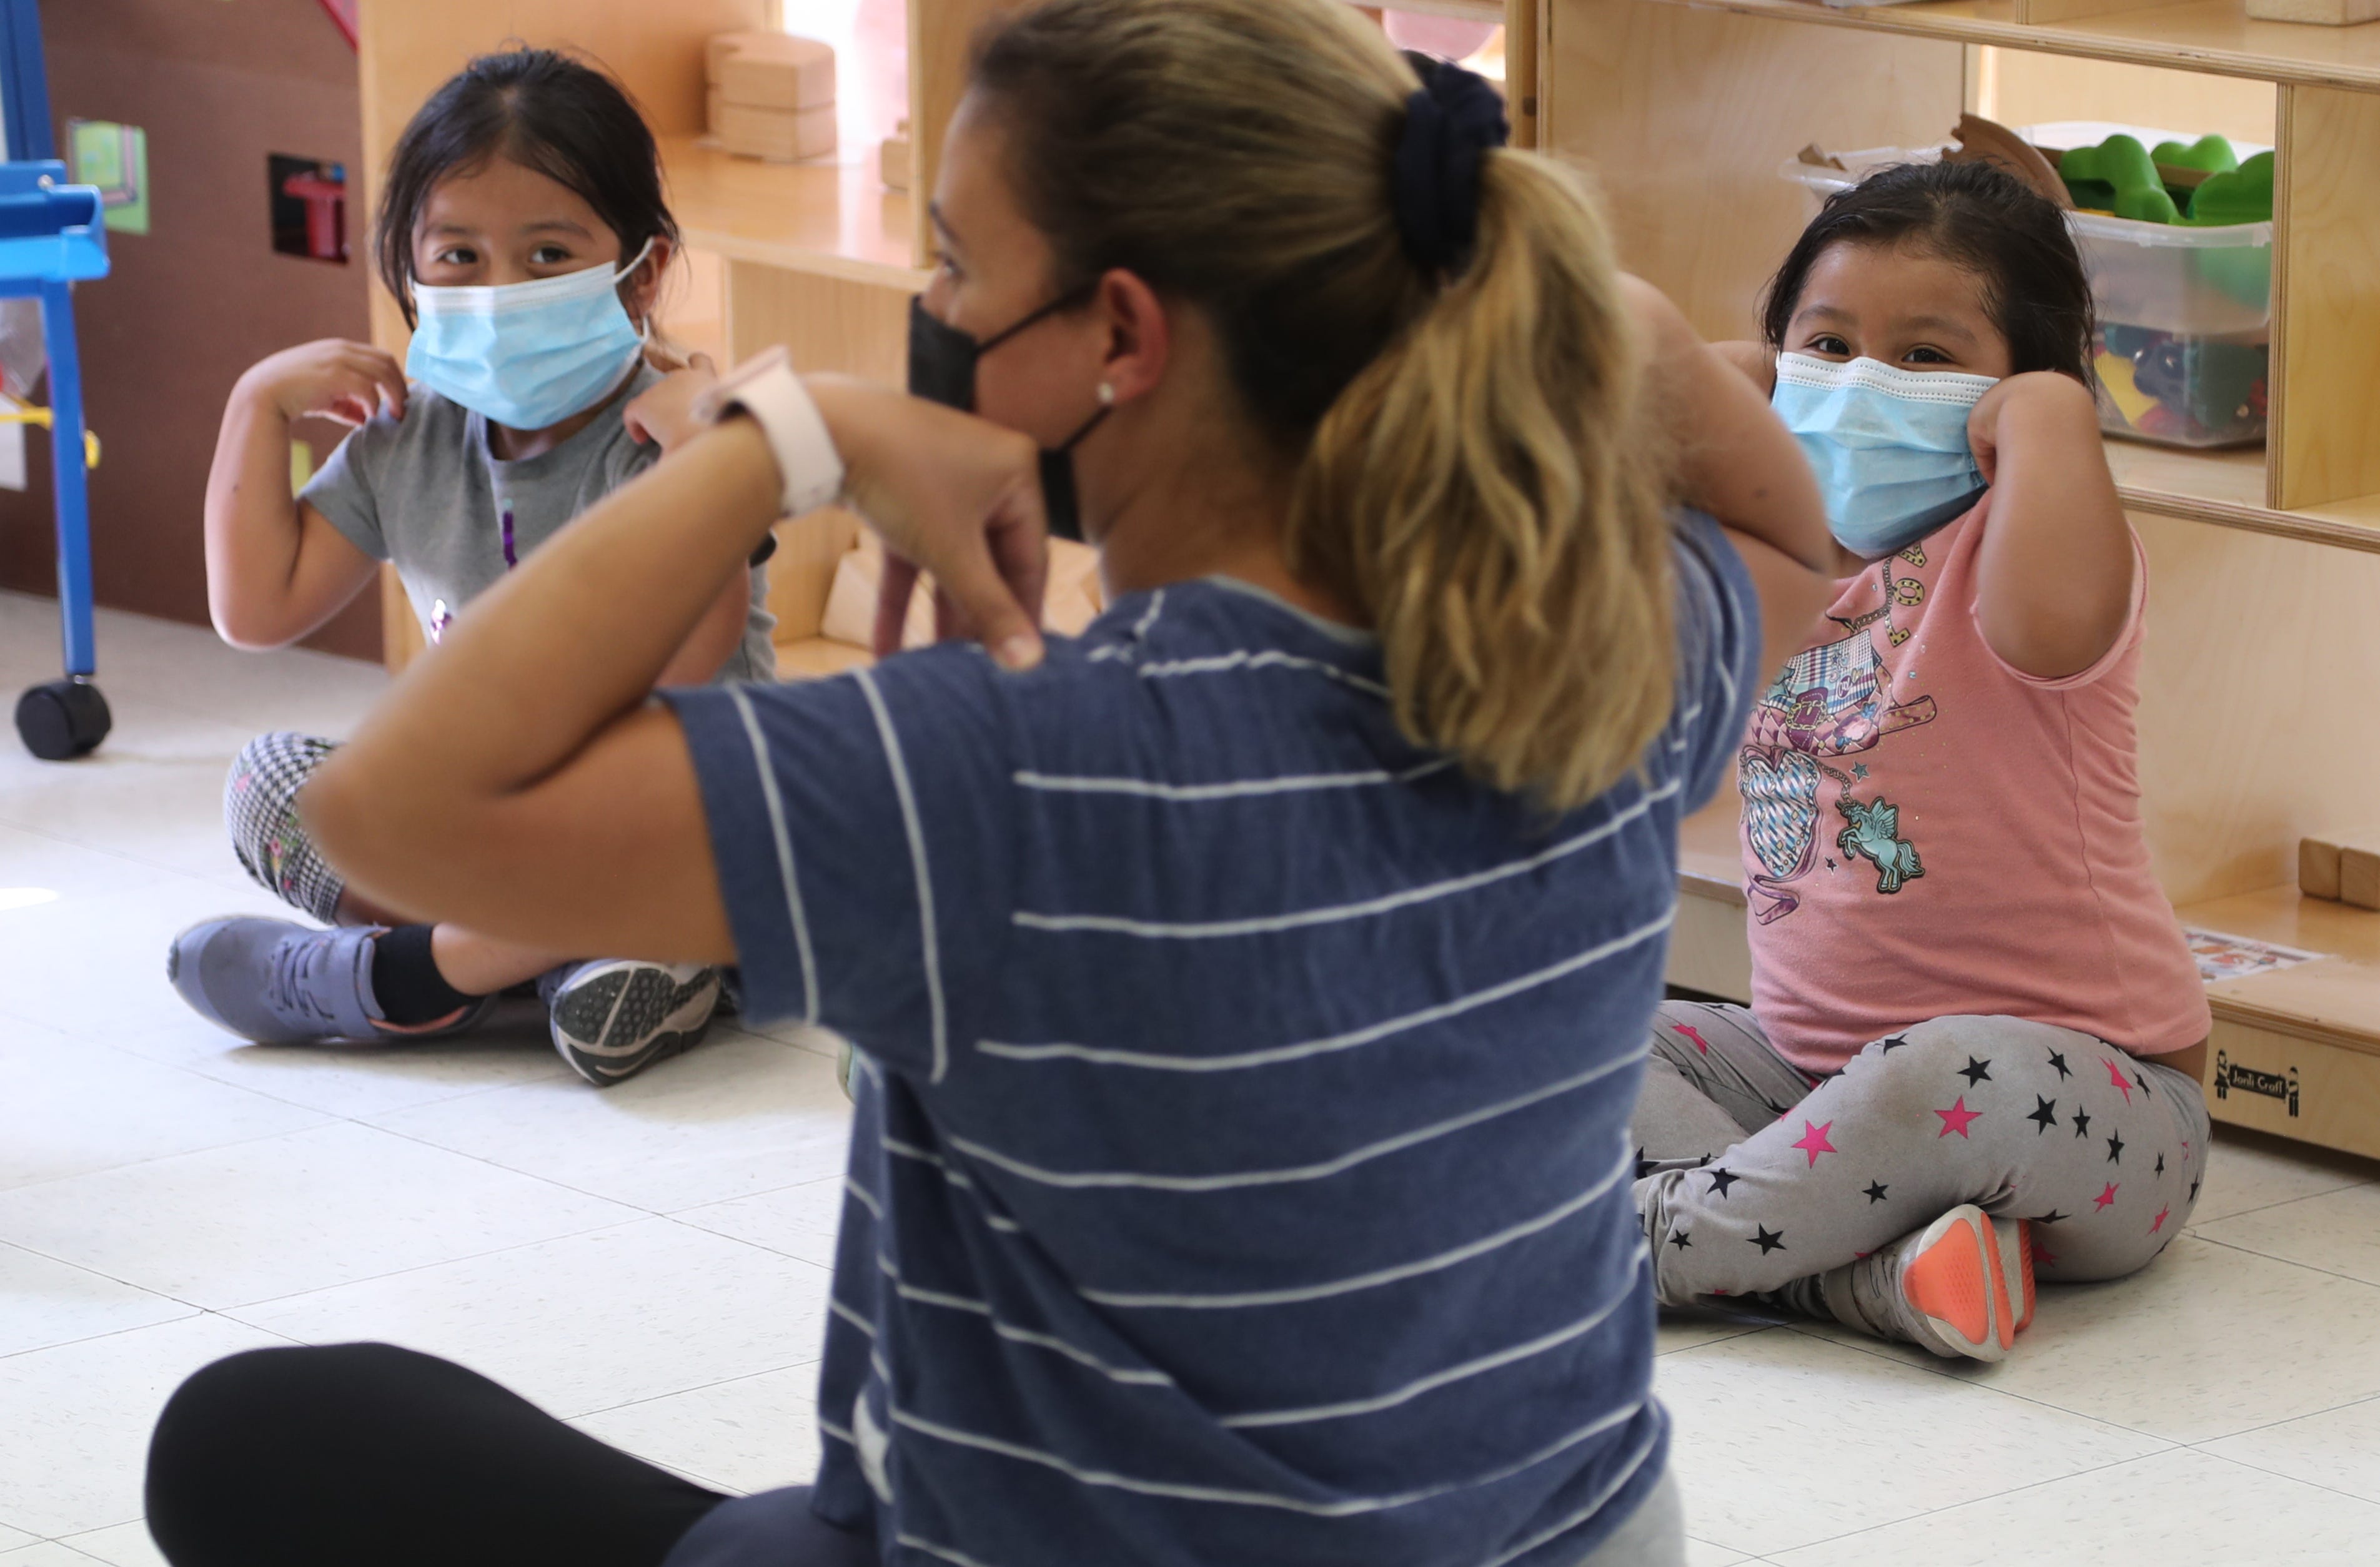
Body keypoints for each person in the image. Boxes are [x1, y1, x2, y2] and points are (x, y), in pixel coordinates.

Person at [145, 2, 1833, 1563]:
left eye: (953, 264)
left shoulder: (1007, 761)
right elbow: (1787, 536)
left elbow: (388, 814)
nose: (932, 317)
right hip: (1584, 1529)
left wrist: (785, 442)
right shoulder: (1595, 655)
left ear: (1118, 332)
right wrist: (1559, 296)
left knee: (261, 1434)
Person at [1632, 159, 2213, 1362]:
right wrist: (1712, 414)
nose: (1859, 385)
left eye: (1926, 358)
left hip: (2086, 1112)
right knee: (1568, 1020)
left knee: (1930, 1063)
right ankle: (1866, 1279)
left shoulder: (2023, 546)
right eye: (1827, 345)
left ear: (2017, 386)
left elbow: (2050, 625)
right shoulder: (1764, 551)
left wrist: (2056, 414)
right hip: (1797, 1079)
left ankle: (1627, 1248)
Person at [166, 49, 776, 1086]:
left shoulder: (702, 429)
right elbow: (256, 611)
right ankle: (564, 966)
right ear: (406, 266)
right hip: (504, 827)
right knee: (271, 782)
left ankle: (391, 983)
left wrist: (704, 460)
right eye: (458, 256)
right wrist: (256, 405)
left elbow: (686, 667)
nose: (500, 291)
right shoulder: (412, 438)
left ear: (646, 270)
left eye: (547, 255)